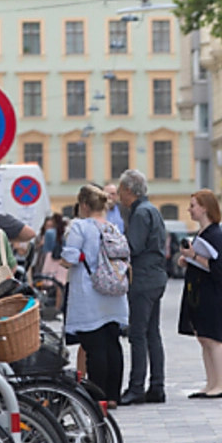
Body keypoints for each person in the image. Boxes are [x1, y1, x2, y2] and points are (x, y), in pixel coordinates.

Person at [61, 185, 129, 405]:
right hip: (113, 292)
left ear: (84, 205)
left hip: (89, 293)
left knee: (95, 347)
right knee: (112, 344)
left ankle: (98, 398)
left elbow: (70, 257)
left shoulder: (80, 226)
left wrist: (66, 260)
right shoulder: (112, 227)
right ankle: (113, 396)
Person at [118, 169, 168, 405]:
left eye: (120, 190)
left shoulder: (139, 213)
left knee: (138, 334)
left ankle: (136, 387)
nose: (119, 196)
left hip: (142, 279)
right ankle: (157, 385)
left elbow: (133, 247)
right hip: (156, 277)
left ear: (129, 190)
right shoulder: (152, 210)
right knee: (153, 333)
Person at [176, 189, 222, 399]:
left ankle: (221, 384)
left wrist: (194, 256)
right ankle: (211, 383)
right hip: (200, 292)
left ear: (205, 208)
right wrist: (188, 260)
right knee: (204, 338)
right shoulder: (202, 234)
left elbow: (218, 269)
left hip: (213, 294)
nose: (189, 210)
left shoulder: (215, 235)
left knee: (215, 339)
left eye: (193, 206)